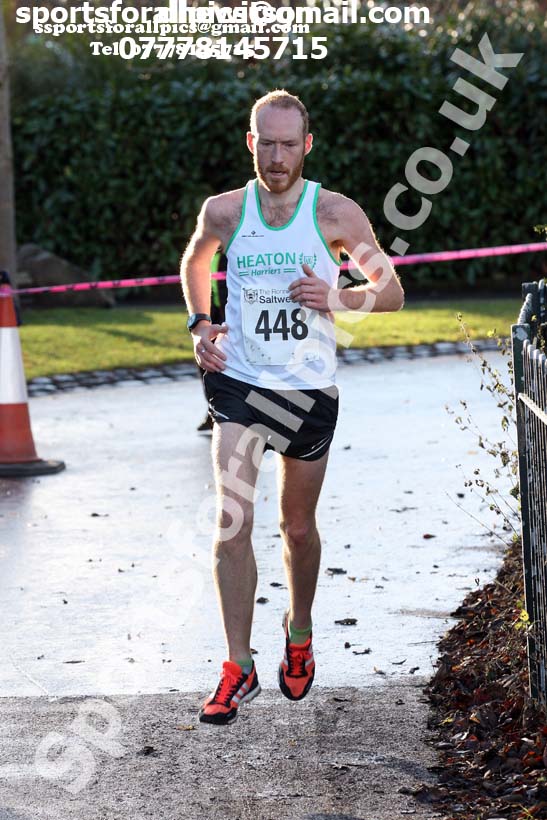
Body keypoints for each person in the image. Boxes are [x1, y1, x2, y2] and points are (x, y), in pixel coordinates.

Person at [180, 89, 404, 726]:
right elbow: (196, 260)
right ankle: (236, 664)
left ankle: (298, 630)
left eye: (288, 145)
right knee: (232, 519)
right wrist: (201, 325)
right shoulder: (225, 212)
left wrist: (339, 297)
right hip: (240, 387)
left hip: (307, 391)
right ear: (251, 144)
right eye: (266, 144)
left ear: (307, 146)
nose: (277, 157)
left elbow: (391, 293)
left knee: (297, 530)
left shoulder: (334, 212)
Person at [196, 247, 228, 433]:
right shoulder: (210, 254)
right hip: (212, 316)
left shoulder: (236, 250)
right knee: (205, 364)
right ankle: (212, 411)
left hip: (230, 321)